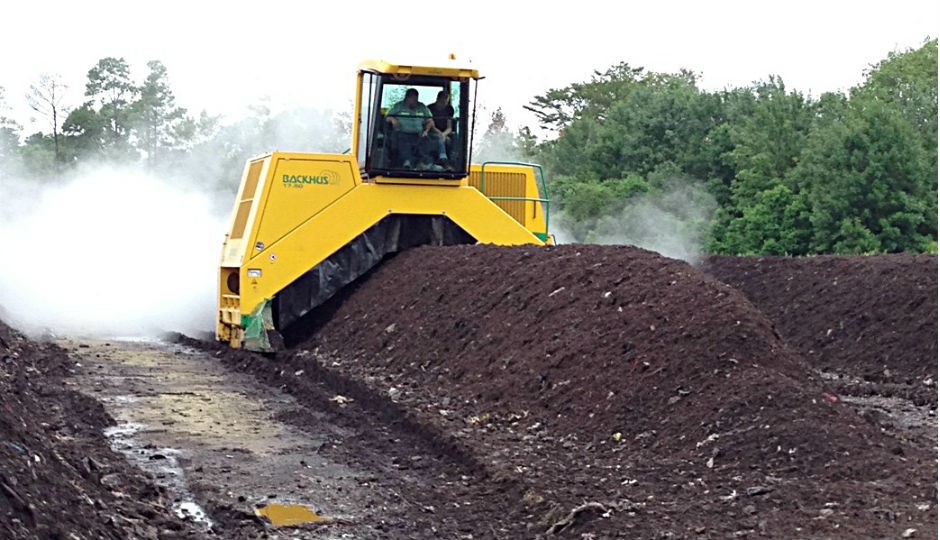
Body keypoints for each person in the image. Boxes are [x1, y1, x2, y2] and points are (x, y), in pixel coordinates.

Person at [385, 88, 433, 169]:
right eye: (414, 99)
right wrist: (392, 119)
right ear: (407, 98)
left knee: (426, 140)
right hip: (403, 133)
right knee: (403, 141)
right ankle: (407, 162)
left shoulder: (422, 107)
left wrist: (426, 131)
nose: (416, 102)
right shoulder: (398, 106)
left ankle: (424, 163)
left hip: (419, 134)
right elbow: (386, 117)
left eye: (416, 99)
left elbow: (430, 120)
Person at [427, 90, 454, 165]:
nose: (444, 104)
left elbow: (449, 127)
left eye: (446, 101)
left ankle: (453, 159)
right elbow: (430, 125)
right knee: (439, 139)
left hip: (445, 132)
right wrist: (440, 135)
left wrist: (444, 135)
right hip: (432, 131)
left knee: (454, 137)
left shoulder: (449, 109)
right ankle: (443, 159)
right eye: (442, 101)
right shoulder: (429, 108)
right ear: (437, 99)